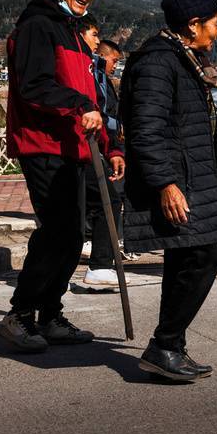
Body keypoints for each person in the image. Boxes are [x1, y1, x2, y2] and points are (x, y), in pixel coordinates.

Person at [0, 0, 124, 352]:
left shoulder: (72, 33)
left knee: (71, 237)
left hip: (76, 148)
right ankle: (20, 314)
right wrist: (75, 105)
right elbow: (33, 86)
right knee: (58, 232)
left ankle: (49, 314)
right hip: (43, 145)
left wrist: (109, 144)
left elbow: (93, 98)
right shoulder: (38, 27)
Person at [120, 0, 217, 382]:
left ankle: (170, 347)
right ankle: (164, 345)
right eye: (215, 24)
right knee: (203, 257)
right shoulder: (159, 62)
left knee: (185, 257)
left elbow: (188, 126)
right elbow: (146, 130)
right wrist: (165, 184)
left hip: (192, 176)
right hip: (176, 183)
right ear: (193, 25)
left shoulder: (181, 56)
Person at [80, 30, 128, 289]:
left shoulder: (102, 77)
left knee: (108, 196)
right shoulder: (88, 71)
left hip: (102, 145)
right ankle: (98, 261)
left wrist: (114, 149)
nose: (115, 67)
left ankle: (99, 261)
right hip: (83, 145)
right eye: (114, 61)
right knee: (107, 197)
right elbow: (98, 110)